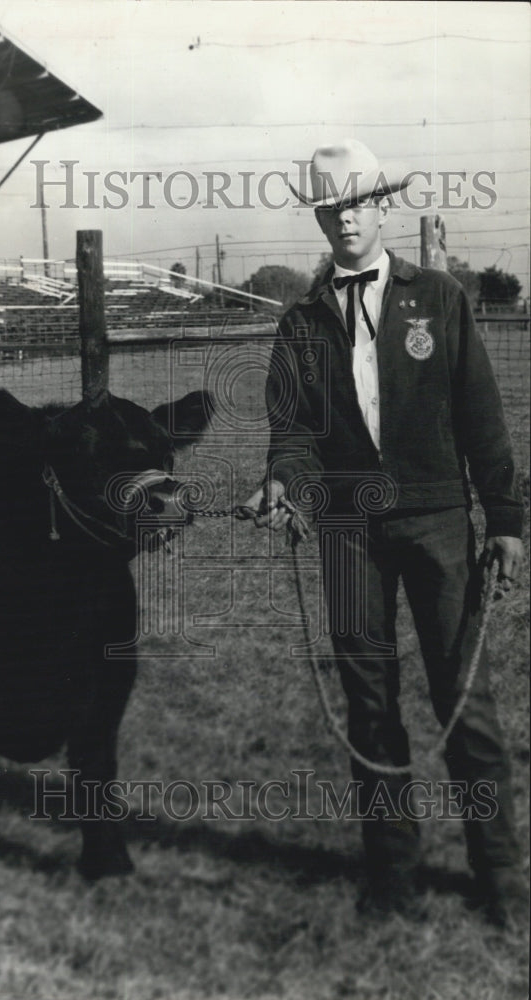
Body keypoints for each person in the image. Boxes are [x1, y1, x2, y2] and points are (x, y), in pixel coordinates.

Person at [242, 139, 526, 926]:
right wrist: (282, 481)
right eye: (331, 209)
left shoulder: (438, 296)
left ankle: (499, 873)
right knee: (370, 705)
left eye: (358, 204)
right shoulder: (300, 322)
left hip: (438, 524)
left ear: (382, 207)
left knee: (463, 701)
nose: (345, 221)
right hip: (347, 530)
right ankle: (390, 872)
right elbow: (292, 430)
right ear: (321, 218)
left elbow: (482, 418)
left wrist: (503, 520)